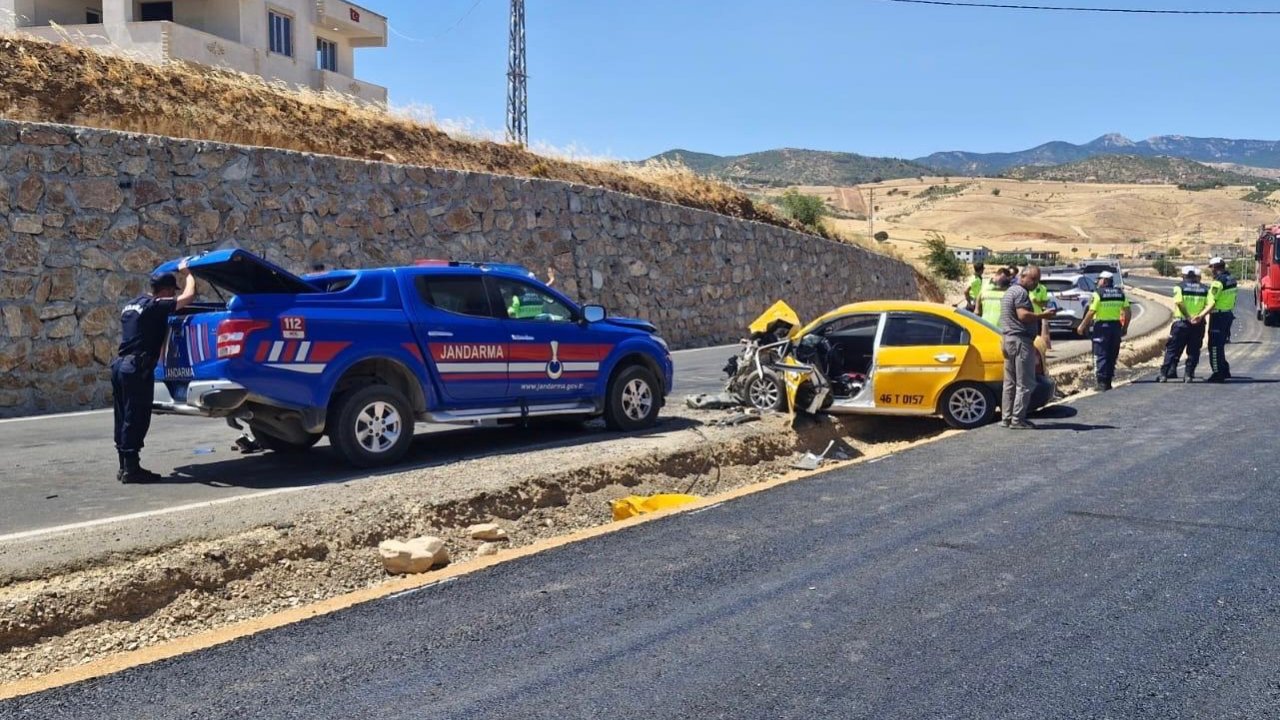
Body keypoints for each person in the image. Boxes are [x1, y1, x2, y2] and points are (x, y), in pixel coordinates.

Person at [112, 261, 197, 483]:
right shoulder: (156, 305)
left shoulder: (131, 305)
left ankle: (124, 465)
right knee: (136, 416)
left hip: (120, 365)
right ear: (167, 291)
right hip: (137, 368)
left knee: (122, 416)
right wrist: (189, 274)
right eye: (172, 291)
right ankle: (132, 469)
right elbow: (188, 297)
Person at [1000, 265, 1058, 429]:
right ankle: (1017, 419)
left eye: (1037, 280)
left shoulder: (1010, 292)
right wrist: (1042, 315)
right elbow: (1023, 316)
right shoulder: (1020, 293)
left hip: (1008, 339)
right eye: (1034, 280)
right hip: (1020, 341)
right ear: (1024, 277)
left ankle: (1007, 417)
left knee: (1010, 382)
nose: (1035, 283)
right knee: (1025, 383)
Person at [1076, 270, 1131, 391]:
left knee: (1101, 354)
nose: (1098, 281)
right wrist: (1125, 327)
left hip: (1101, 327)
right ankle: (1108, 380)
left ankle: (1101, 382)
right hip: (1116, 327)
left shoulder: (1098, 294)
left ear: (1105, 281)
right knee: (1112, 353)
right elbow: (1127, 312)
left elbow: (1091, 311)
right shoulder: (1120, 293)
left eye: (1100, 279)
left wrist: (1082, 326)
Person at [1157, 266, 1208, 383]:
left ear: (1183, 275)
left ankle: (1164, 374)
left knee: (1172, 349)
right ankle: (1188, 375)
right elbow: (1210, 304)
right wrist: (1200, 316)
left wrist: (1188, 317)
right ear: (1196, 276)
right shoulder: (1205, 288)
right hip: (1198, 324)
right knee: (1194, 350)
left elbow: (1179, 302)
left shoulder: (1179, 287)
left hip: (1182, 323)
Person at [1200, 256, 1238, 383]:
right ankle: (1225, 370)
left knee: (1214, 346)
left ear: (1215, 268)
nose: (1211, 271)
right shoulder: (1231, 278)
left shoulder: (1218, 282)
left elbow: (1212, 303)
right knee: (1220, 345)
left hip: (1218, 316)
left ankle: (1217, 373)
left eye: (1211, 268)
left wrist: (1201, 316)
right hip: (1228, 314)